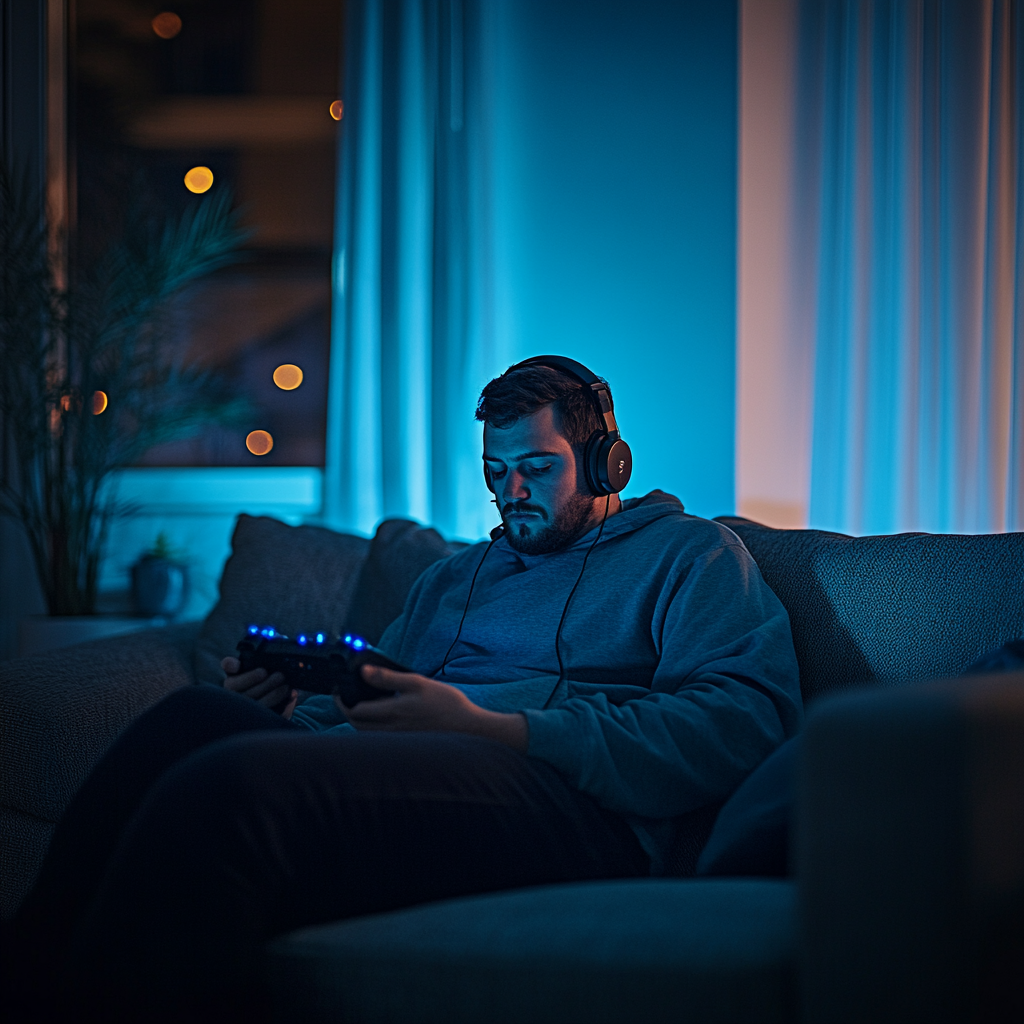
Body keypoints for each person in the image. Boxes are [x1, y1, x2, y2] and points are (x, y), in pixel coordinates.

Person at [7, 357, 801, 1024]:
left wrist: (493, 725)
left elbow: (743, 721)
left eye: (536, 468)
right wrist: (286, 713)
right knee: (193, 720)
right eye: (496, 473)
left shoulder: (691, 556)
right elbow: (371, 696)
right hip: (424, 773)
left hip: (571, 800)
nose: (512, 493)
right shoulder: (455, 577)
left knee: (237, 787)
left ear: (605, 463)